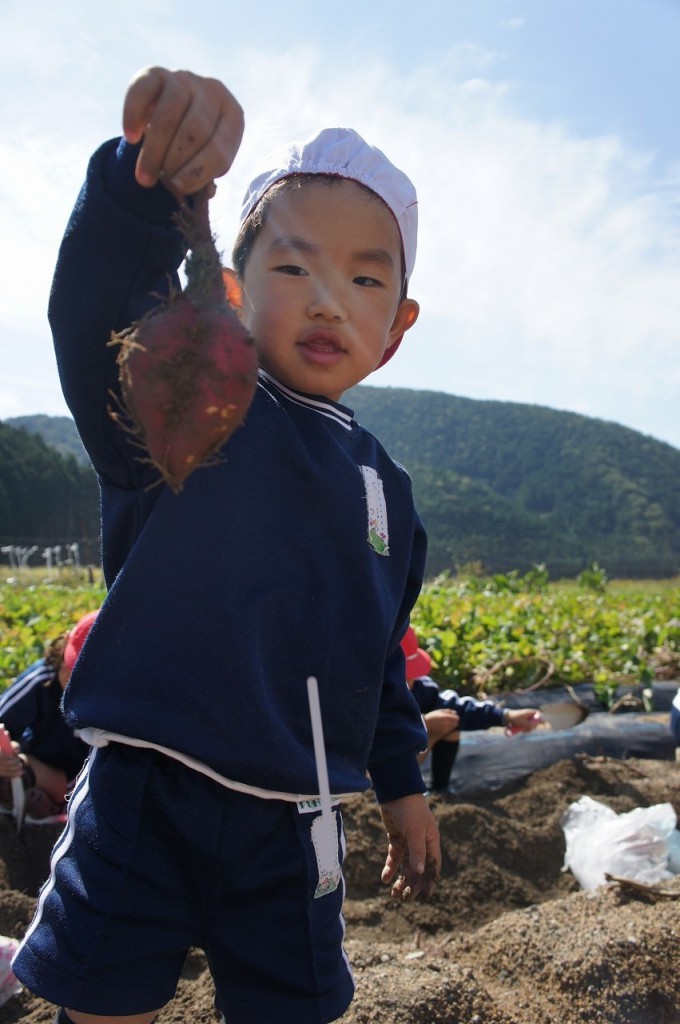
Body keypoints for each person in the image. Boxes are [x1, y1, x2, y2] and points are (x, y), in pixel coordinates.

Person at [12, 67, 440, 1024]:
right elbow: (97, 316)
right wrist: (144, 193)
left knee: (293, 1005)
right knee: (105, 1000)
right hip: (147, 786)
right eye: (295, 269)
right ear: (237, 290)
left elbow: (376, 657)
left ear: (396, 328)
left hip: (297, 817)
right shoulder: (199, 396)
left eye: (365, 278)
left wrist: (403, 784)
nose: (328, 300)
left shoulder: (387, 492)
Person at [401, 626, 542, 791]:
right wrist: (425, 725)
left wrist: (506, 716)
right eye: (404, 676)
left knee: (449, 720)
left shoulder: (420, 690)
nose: (410, 681)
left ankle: (440, 790)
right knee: (422, 731)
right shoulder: (377, 702)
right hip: (380, 770)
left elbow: (458, 709)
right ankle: (397, 794)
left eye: (411, 675)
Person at [0, 611, 97, 822]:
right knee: (16, 766)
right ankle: (20, 795)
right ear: (65, 644)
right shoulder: (42, 681)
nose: (72, 681)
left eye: (85, 678)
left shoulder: (117, 701)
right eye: (71, 667)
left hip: (90, 779)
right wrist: (5, 754)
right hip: (43, 767)